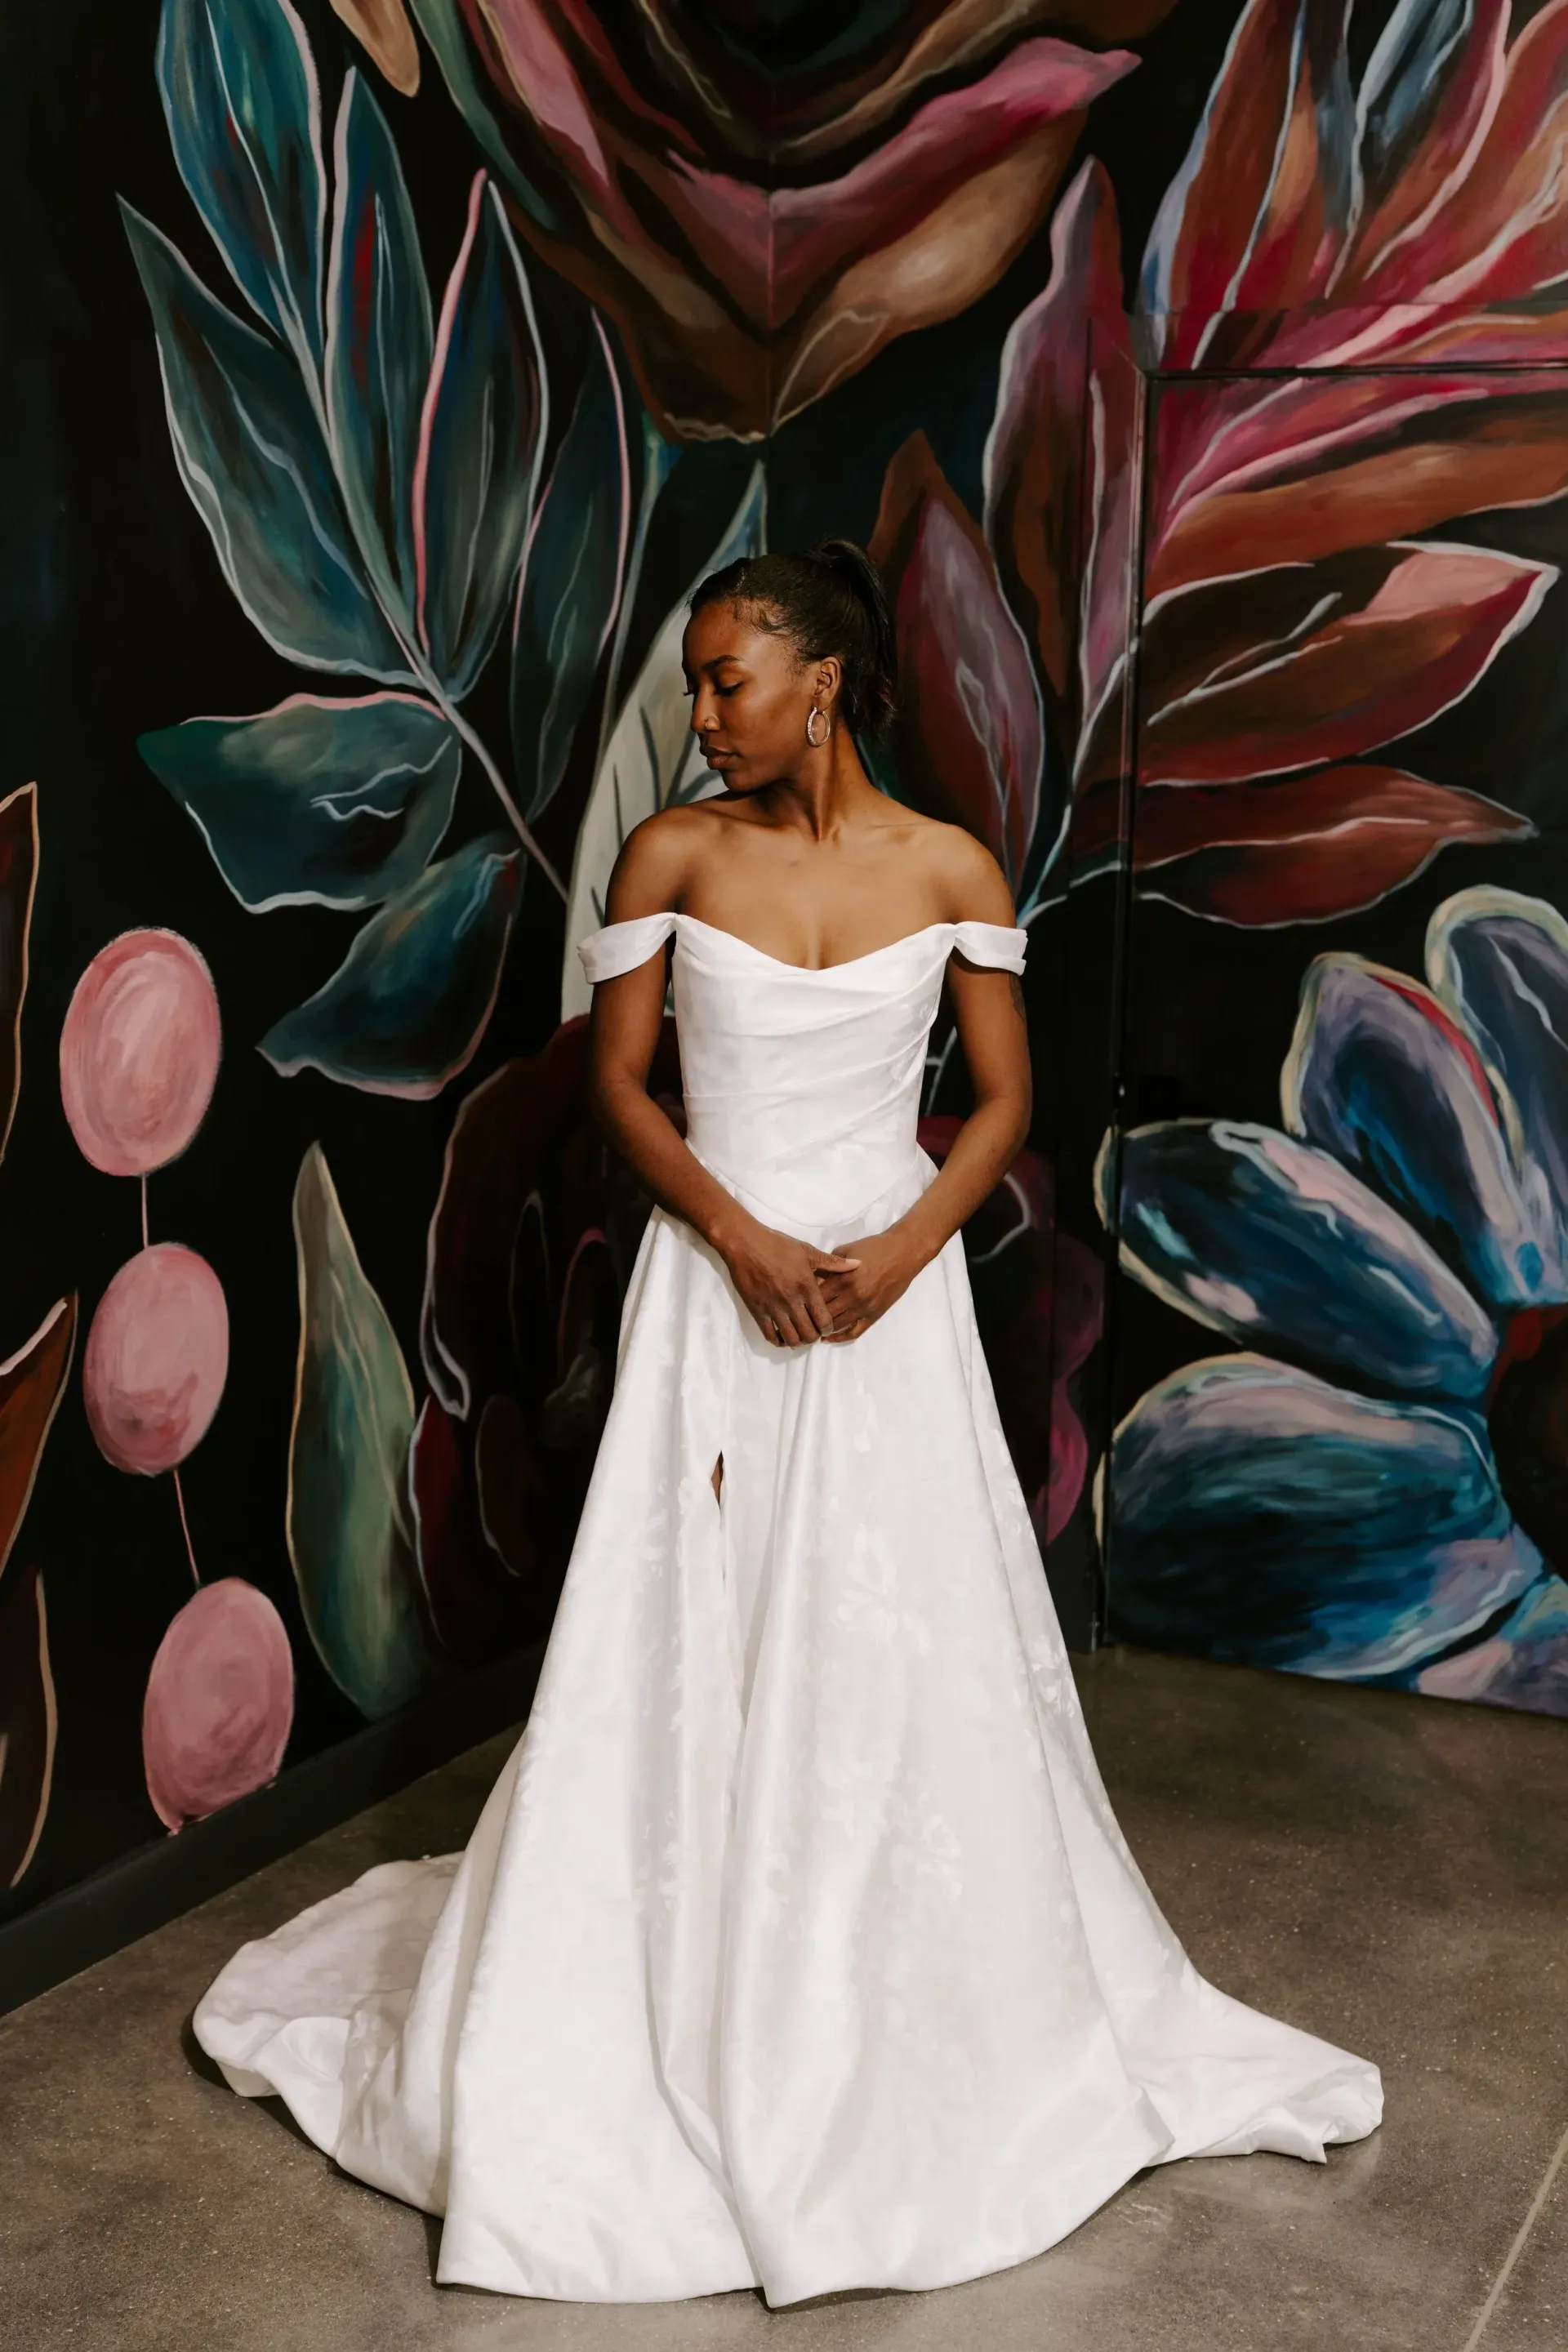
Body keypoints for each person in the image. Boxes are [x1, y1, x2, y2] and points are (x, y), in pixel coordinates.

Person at [192, 541, 1382, 2308]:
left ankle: (887, 1993)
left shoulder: (951, 869)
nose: (700, 713)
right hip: (719, 1286)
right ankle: (673, 1963)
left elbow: (999, 1099)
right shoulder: (671, 855)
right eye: (693, 682)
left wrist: (896, 1256)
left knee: (893, 1638)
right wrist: (745, 1240)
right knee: (693, 1621)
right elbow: (617, 1085)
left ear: (820, 683)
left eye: (725, 680)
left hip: (883, 1302)